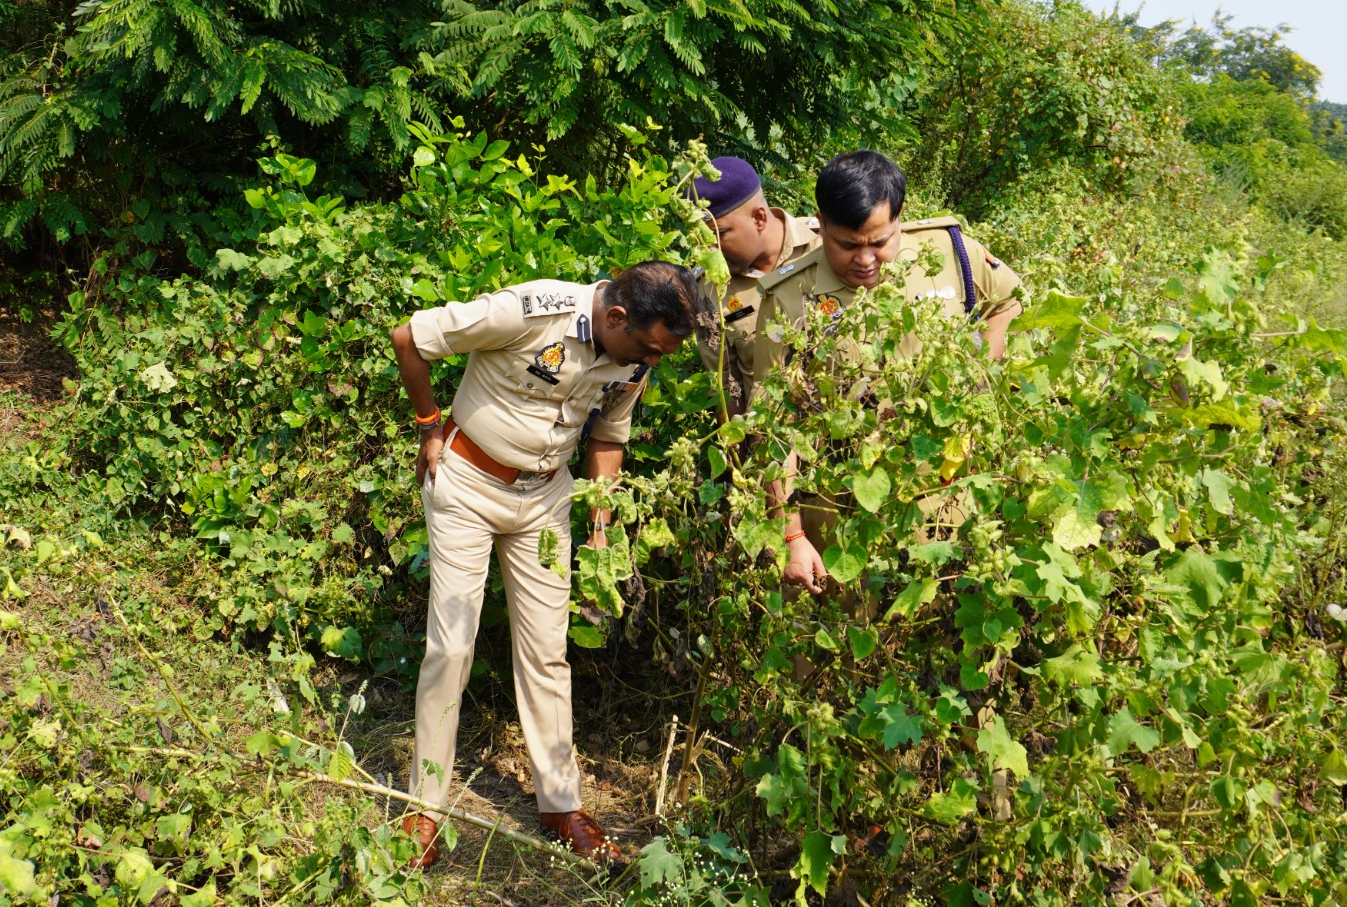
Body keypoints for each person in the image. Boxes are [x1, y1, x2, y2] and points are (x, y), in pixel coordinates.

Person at [389, 261, 704, 867]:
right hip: (468, 486)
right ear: (615, 317)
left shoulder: (638, 352)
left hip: (547, 500)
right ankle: (424, 810)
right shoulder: (531, 311)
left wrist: (601, 526)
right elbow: (412, 339)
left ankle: (561, 805)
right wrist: (429, 425)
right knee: (451, 648)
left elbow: (608, 437)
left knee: (546, 651)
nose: (651, 362)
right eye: (647, 347)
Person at [749, 150, 1023, 598]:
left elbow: (1010, 301)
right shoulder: (788, 296)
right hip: (839, 507)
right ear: (819, 223)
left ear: (899, 218)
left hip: (943, 494)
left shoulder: (950, 251)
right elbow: (771, 426)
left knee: (940, 621)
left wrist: (978, 374)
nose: (866, 260)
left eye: (880, 242)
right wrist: (792, 537)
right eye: (848, 245)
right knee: (842, 636)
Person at [691, 156, 823, 417]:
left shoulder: (824, 246)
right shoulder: (710, 287)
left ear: (759, 218)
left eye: (719, 234)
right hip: (770, 443)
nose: (709, 250)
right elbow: (725, 385)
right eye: (701, 239)